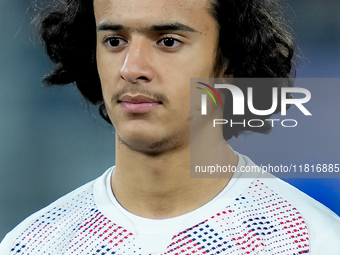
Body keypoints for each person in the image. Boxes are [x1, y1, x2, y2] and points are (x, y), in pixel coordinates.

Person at [1, 0, 340, 254]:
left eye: (167, 41)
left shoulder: (312, 241)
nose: (132, 68)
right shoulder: (32, 244)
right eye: (115, 41)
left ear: (230, 61)